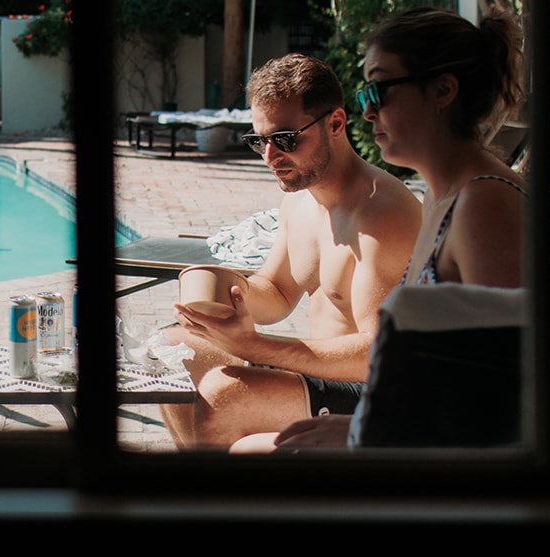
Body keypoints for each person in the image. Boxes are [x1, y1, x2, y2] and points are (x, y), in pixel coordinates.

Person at [256, 6, 539, 453]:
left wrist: (366, 433)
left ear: (442, 91)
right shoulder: (445, 195)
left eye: (378, 91)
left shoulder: (486, 203)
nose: (366, 113)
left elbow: (503, 387)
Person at [160, 53, 422, 450]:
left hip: (373, 394)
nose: (270, 157)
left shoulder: (381, 215)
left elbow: (377, 353)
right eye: (258, 141)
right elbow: (278, 292)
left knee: (225, 392)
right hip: (321, 375)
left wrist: (256, 347)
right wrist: (230, 294)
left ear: (335, 123)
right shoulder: (300, 202)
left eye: (284, 140)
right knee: (174, 349)